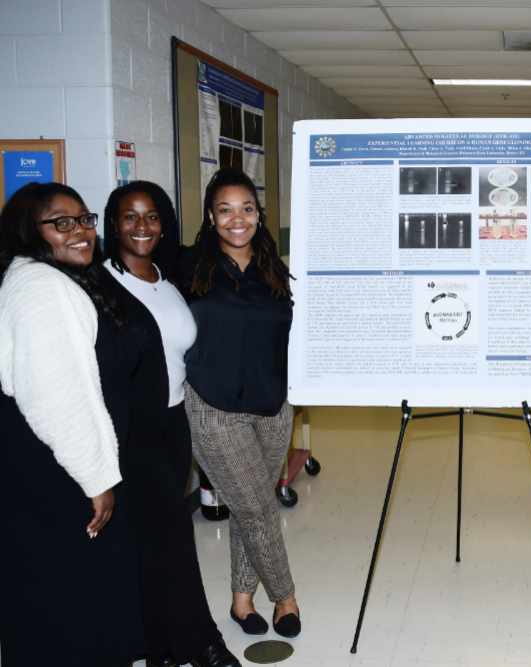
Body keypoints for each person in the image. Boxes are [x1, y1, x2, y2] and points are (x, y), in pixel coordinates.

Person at [0, 183, 144, 666]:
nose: (80, 231)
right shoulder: (43, 288)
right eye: (62, 223)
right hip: (57, 468)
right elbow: (57, 396)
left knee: (47, 590)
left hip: (40, 463)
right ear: (29, 231)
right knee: (71, 596)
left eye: (84, 220)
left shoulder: (39, 277)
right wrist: (96, 478)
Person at [103, 181, 240, 667]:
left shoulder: (169, 275)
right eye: (130, 216)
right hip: (131, 432)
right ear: (112, 223)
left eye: (152, 216)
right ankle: (199, 642)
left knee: (161, 540)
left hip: (173, 421)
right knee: (170, 539)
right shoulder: (101, 285)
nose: (142, 227)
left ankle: (160, 645)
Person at [181, 168, 301, 638]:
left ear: (259, 215)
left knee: (247, 505)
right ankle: (286, 597)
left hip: (272, 406)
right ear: (211, 216)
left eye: (247, 209)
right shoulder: (188, 266)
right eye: (225, 209)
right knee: (257, 509)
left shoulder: (275, 269)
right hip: (214, 408)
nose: (237, 219)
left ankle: (241, 599)